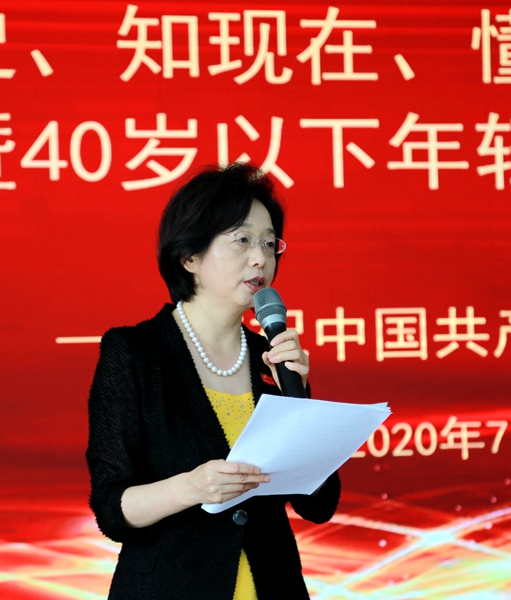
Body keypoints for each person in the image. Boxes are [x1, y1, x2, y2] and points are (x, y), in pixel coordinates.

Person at [86, 163, 341, 600]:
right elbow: (112, 509)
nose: (260, 258)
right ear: (190, 257)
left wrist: (298, 400)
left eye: (269, 243)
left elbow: (319, 504)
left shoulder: (271, 357)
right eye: (242, 240)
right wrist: (191, 488)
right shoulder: (134, 353)